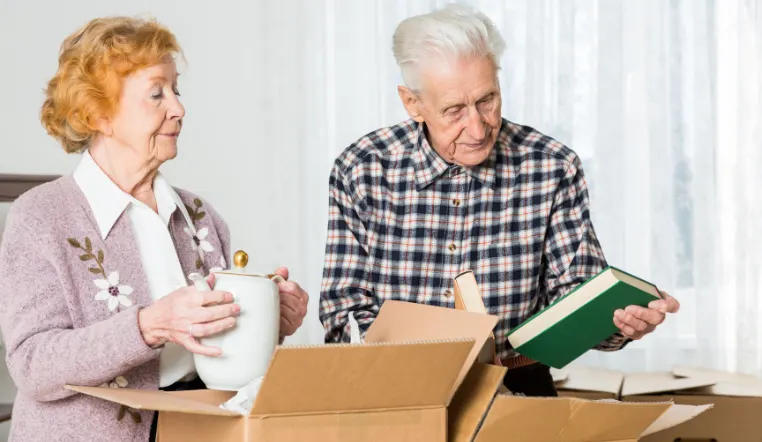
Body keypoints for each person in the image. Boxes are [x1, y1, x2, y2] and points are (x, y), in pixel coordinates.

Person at [319, 4, 679, 397]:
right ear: (412, 103)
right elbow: (343, 310)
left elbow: (575, 299)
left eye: (487, 100)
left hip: (517, 385)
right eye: (454, 110)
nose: (477, 127)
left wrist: (618, 322)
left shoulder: (552, 166)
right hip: (394, 384)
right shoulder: (363, 168)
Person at [0, 16, 309, 442]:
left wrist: (269, 319)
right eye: (156, 93)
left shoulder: (201, 215)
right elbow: (33, 364)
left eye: (175, 90)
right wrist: (147, 326)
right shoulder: (42, 216)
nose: (178, 109)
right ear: (98, 114)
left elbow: (216, 357)